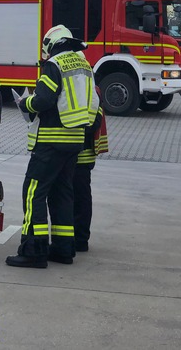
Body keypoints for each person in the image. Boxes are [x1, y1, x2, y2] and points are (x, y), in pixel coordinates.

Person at [5, 25, 98, 269]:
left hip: (51, 140)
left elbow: (44, 99)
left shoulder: (54, 64)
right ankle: (63, 249)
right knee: (63, 193)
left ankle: (33, 250)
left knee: (34, 191)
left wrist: (25, 103)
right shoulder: (84, 65)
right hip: (76, 140)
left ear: (51, 44)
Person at [71, 84, 108, 252]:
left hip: (79, 153)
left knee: (78, 198)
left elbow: (92, 122)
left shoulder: (89, 90)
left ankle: (79, 239)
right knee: (79, 197)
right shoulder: (91, 88)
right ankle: (78, 238)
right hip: (79, 153)